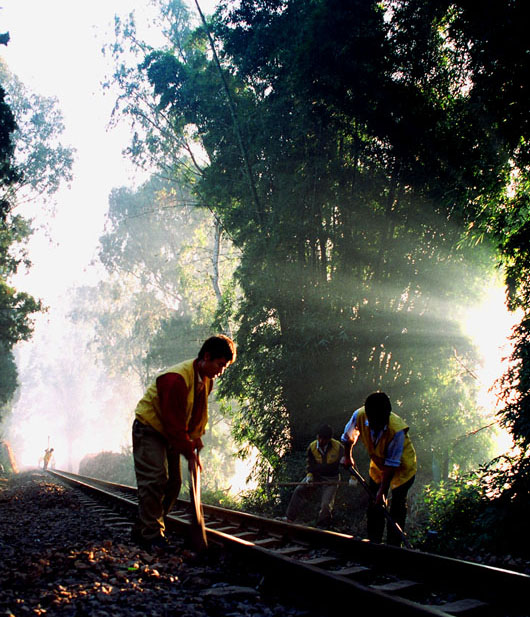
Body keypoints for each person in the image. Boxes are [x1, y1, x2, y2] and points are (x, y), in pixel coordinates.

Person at [131, 334, 236, 551]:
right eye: (220, 364)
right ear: (206, 357)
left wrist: (195, 440)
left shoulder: (206, 381)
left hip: (169, 433)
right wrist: (189, 454)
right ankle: (150, 535)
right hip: (149, 428)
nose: (221, 370)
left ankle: (145, 526)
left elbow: (196, 415)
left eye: (225, 366)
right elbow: (173, 422)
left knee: (173, 484)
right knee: (155, 480)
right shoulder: (175, 379)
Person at [340, 391, 416, 546]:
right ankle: (374, 542)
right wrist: (348, 456)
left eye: (383, 418)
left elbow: (391, 466)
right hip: (378, 467)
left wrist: (382, 492)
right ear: (368, 415)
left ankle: (393, 546)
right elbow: (347, 437)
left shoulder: (397, 431)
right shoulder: (359, 415)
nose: (380, 422)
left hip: (402, 470)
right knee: (374, 506)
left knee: (397, 507)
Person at [285, 424, 344, 528]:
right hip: (316, 476)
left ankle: (322, 526)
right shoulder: (312, 447)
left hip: (331, 479)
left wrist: (353, 478)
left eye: (324, 439)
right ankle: (289, 518)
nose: (321, 441)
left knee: (326, 505)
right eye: (319, 438)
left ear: (329, 439)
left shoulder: (338, 447)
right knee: (299, 490)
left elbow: (349, 461)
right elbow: (309, 464)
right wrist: (309, 476)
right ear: (317, 436)